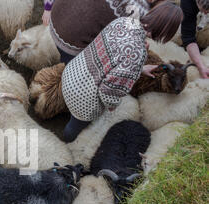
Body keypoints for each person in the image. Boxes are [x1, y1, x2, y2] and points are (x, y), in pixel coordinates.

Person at [60, 1, 183, 142]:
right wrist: (113, 106)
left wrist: (139, 69)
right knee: (75, 125)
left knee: (71, 110)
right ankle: (68, 142)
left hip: (73, 72)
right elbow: (107, 90)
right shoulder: (138, 52)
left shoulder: (124, 21)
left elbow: (111, 58)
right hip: (83, 95)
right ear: (166, 32)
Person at [42, 0, 161, 64]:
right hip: (73, 37)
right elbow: (121, 45)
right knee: (73, 68)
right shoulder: (139, 10)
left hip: (59, 14)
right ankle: (69, 86)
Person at [181, 0, 209, 78]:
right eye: (203, 10)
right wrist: (201, 67)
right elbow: (188, 38)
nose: (206, 13)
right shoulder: (187, 4)